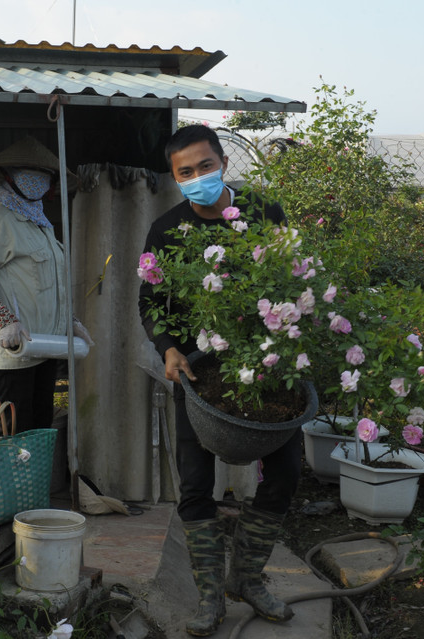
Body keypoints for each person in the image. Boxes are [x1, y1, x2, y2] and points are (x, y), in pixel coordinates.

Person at [138, 125, 298, 636]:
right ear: (174, 177)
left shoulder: (263, 212)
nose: (198, 178)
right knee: (195, 483)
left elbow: (291, 279)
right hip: (197, 373)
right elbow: (150, 300)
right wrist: (167, 348)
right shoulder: (165, 230)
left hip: (265, 367)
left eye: (205, 166)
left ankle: (246, 578)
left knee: (287, 470)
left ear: (224, 161)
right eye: (186, 172)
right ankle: (210, 597)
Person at [0, 136, 92, 431]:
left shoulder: (41, 224)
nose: (38, 181)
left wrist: (69, 321)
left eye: (44, 176)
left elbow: (47, 285)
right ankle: (15, 480)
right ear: (6, 177)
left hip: (46, 346)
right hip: (15, 350)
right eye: (28, 173)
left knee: (40, 428)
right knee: (17, 434)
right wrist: (5, 320)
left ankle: (36, 480)